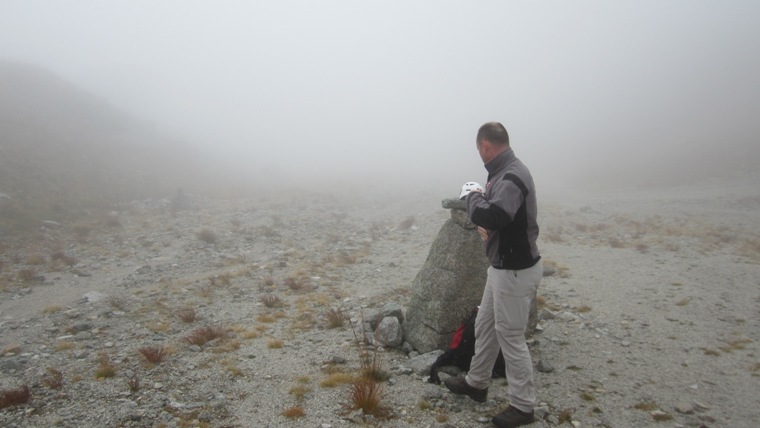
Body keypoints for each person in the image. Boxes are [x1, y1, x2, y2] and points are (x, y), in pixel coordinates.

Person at [444, 122, 543, 428]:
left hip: (514, 271)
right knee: (486, 324)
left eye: (478, 149)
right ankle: (476, 383)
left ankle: (523, 406)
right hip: (502, 267)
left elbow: (496, 214)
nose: (479, 154)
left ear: (485, 146)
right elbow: (501, 216)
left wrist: (472, 195)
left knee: (511, 336)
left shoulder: (511, 175)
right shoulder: (505, 172)